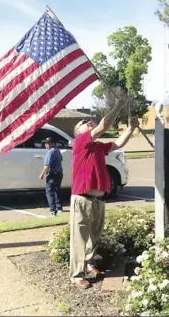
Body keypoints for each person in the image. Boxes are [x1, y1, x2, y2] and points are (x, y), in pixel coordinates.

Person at [70, 96, 139, 289]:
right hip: (82, 198)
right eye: (83, 123)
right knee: (79, 238)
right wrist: (118, 105)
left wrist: (131, 128)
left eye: (87, 121)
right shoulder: (80, 142)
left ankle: (90, 264)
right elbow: (102, 126)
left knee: (95, 236)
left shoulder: (98, 147)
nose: (87, 122)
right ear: (79, 132)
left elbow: (117, 144)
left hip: (99, 199)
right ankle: (77, 274)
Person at [39, 137, 63, 216]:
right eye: (46, 143)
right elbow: (60, 160)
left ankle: (53, 210)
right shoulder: (57, 150)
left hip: (52, 174)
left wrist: (42, 174)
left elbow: (47, 166)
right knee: (57, 190)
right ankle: (59, 207)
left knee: (49, 192)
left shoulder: (50, 152)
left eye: (48, 143)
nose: (46, 145)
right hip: (59, 173)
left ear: (52, 143)